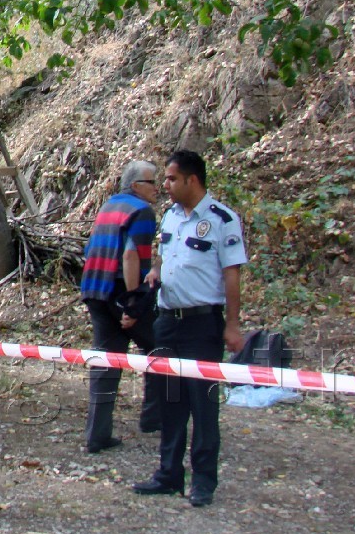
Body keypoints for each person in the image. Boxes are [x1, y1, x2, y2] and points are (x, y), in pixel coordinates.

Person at [132, 149, 246, 508]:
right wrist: (155, 271)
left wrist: (232, 324)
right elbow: (164, 256)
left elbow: (232, 274)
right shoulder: (169, 218)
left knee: (203, 403)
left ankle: (203, 481)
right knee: (171, 401)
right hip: (167, 322)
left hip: (202, 325)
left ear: (191, 180)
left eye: (171, 179)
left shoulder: (221, 219)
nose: (165, 185)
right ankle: (168, 474)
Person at [79, 160, 163, 454]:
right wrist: (132, 304)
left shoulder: (109, 206)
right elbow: (130, 257)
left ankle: (97, 434)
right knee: (160, 349)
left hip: (94, 288)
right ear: (137, 185)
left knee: (106, 360)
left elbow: (91, 248)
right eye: (153, 182)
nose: (158, 188)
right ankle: (156, 419)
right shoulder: (142, 212)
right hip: (119, 290)